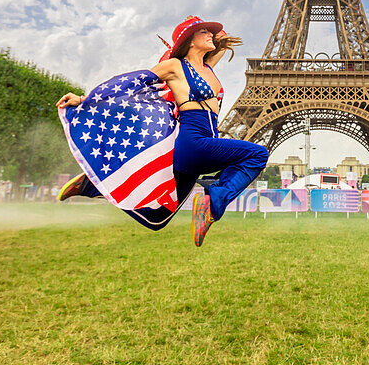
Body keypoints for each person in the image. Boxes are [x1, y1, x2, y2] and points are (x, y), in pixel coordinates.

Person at [57, 16, 268, 246]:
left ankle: (91, 185)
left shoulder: (206, 69)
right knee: (257, 154)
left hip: (205, 142)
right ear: (190, 41)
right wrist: (84, 99)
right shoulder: (175, 67)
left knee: (157, 218)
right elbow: (130, 85)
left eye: (209, 32)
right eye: (203, 32)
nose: (210, 34)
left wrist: (218, 41)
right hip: (193, 141)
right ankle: (211, 201)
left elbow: (218, 43)